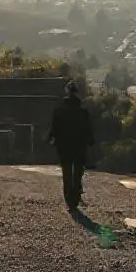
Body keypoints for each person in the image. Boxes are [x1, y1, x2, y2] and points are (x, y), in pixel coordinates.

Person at [46, 81, 95, 209]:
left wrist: (50, 139)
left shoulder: (59, 110)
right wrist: (90, 140)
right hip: (79, 145)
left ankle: (69, 195)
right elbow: (87, 128)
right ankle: (76, 192)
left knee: (67, 170)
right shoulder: (83, 111)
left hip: (64, 145)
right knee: (78, 170)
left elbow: (54, 127)